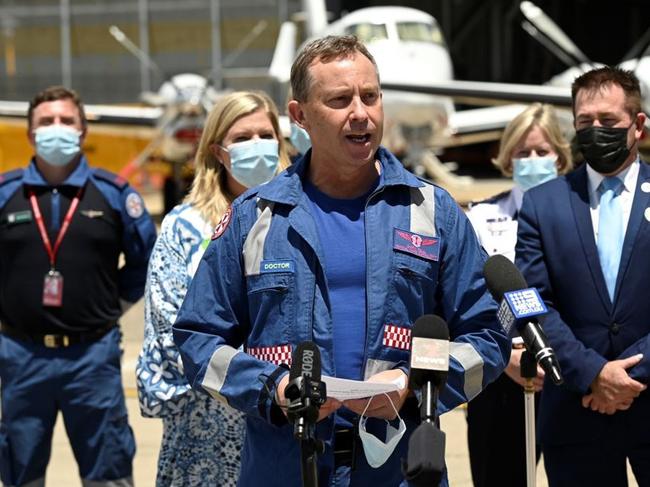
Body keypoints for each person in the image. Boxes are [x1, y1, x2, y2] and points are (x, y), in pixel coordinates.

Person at [172, 35, 509, 487]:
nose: (361, 113)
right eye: (339, 99)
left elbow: (487, 334)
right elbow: (199, 339)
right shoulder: (253, 218)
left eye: (370, 96)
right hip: (285, 468)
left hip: (399, 471)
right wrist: (269, 387)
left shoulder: (434, 212)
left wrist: (417, 385)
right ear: (300, 116)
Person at [0, 86, 156, 486]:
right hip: (20, 355)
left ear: (83, 129)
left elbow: (144, 261)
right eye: (46, 122)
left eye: (67, 121)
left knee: (108, 472)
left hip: (93, 357)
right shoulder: (6, 194)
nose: (57, 129)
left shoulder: (115, 195)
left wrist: (112, 304)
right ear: (30, 133)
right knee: (20, 473)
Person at [136, 90, 291, 486]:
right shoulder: (184, 227)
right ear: (219, 152)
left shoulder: (303, 218)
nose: (255, 146)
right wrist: (255, 378)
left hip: (288, 420)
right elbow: (172, 328)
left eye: (264, 134)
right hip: (205, 429)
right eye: (241, 138)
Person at [516, 66, 650, 486]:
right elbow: (533, 302)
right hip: (577, 409)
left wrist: (628, 378)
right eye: (584, 122)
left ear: (638, 125)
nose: (595, 131)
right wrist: (593, 373)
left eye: (608, 122)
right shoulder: (543, 204)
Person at [465, 103, 573, 487]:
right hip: (502, 373)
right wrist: (503, 356)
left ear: (560, 157)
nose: (532, 160)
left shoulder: (580, 215)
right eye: (522, 152)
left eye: (542, 151)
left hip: (568, 371)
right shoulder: (480, 216)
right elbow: (471, 297)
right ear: (508, 158)